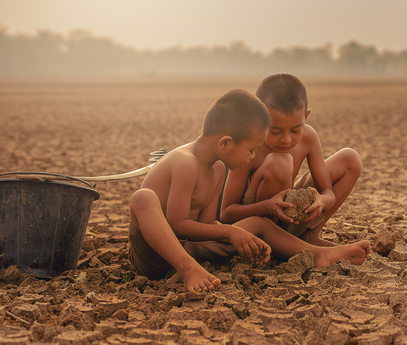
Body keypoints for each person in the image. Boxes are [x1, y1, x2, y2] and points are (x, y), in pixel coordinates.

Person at [128, 89, 370, 293]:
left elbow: (207, 225)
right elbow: (177, 222)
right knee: (143, 198)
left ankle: (315, 254)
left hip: (191, 248)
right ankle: (187, 268)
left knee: (257, 224)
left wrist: (241, 235)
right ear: (225, 143)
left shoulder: (219, 169)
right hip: (157, 255)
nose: (253, 157)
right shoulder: (185, 162)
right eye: (251, 150)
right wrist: (231, 233)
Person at [220, 73, 363, 246]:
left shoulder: (309, 137)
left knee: (350, 159)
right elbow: (226, 214)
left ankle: (309, 237)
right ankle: (275, 243)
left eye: (296, 130)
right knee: (280, 161)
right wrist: (266, 206)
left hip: (289, 217)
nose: (286, 140)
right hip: (256, 223)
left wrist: (322, 201)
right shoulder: (248, 145)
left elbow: (328, 192)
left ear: (306, 117)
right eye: (275, 131)